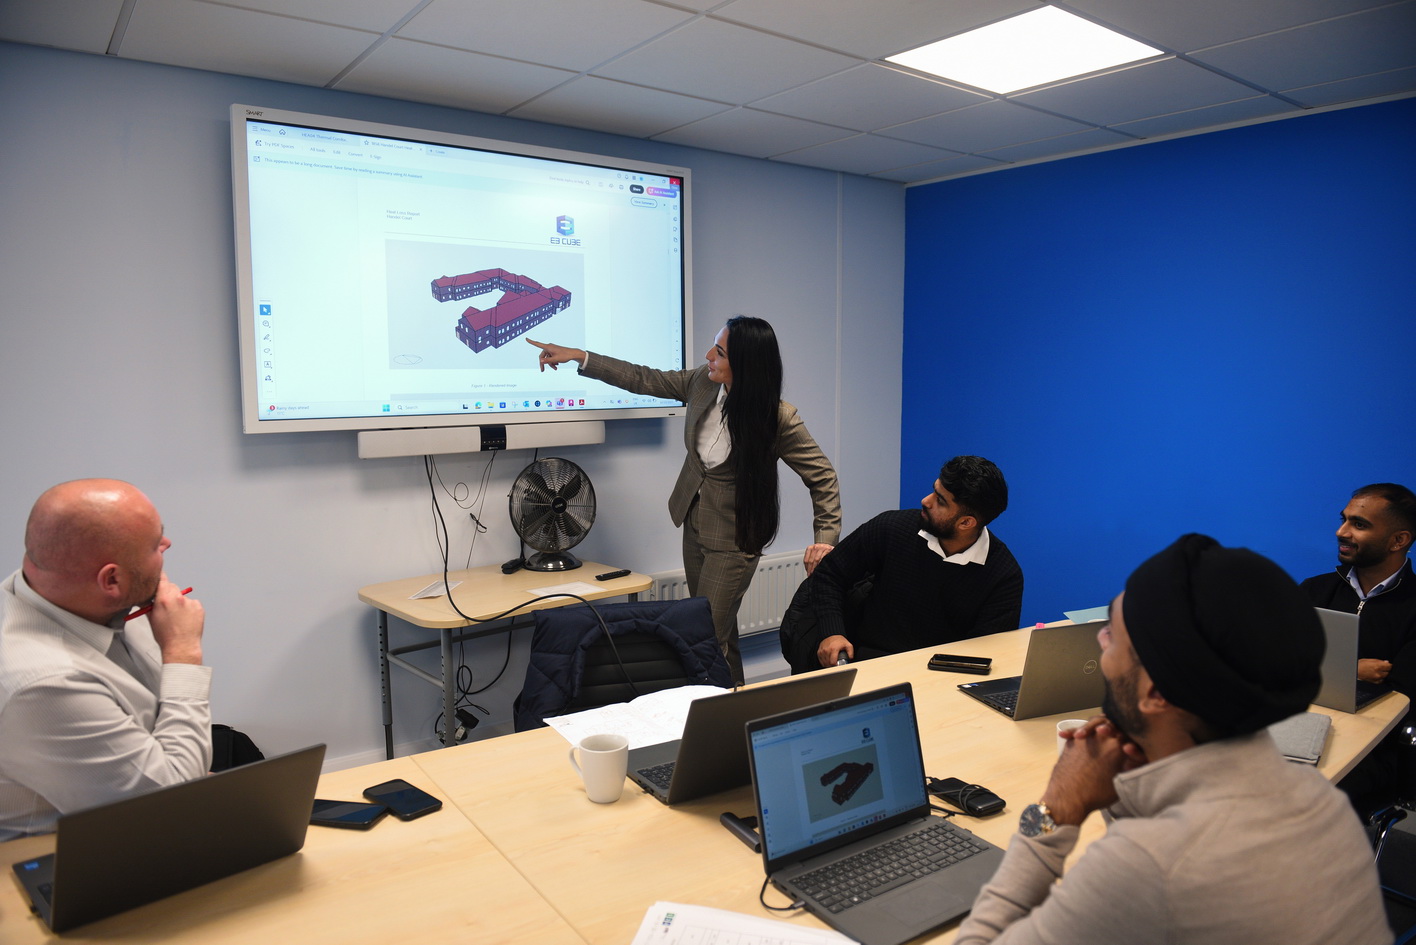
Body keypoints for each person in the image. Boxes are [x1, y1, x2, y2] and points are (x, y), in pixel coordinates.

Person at [955, 534, 1388, 945]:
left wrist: (1053, 811)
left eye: (1110, 639)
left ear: (1156, 694)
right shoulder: (1321, 800)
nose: (1101, 651)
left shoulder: (1147, 867)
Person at [529, 317, 841, 683]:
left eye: (720, 352)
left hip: (735, 541)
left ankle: (709, 725)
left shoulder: (778, 418)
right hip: (693, 522)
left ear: (746, 364)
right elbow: (642, 377)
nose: (709, 356)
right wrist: (580, 356)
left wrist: (825, 540)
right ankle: (737, 710)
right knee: (719, 633)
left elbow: (823, 476)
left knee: (703, 637)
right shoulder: (701, 385)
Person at [0, 479, 211, 840]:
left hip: (139, 824)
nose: (166, 545)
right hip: (57, 858)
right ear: (111, 579)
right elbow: (172, 808)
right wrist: (183, 655)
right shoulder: (45, 682)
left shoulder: (78, 597)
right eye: (154, 543)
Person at [778, 456, 1022, 672]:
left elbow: (985, 655)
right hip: (865, 662)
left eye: (940, 500)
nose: (925, 501)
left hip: (937, 677)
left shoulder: (1003, 576)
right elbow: (829, 574)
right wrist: (832, 633)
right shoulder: (892, 528)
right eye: (933, 490)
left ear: (966, 523)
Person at [1300, 482, 1416, 813]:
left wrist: (1307, 668)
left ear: (1399, 540)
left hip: (1377, 749)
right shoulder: (1315, 590)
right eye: (1344, 519)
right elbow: (1267, 659)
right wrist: (1352, 670)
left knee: (1292, 798)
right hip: (1300, 724)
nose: (1342, 531)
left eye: (1359, 524)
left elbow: (1402, 692)